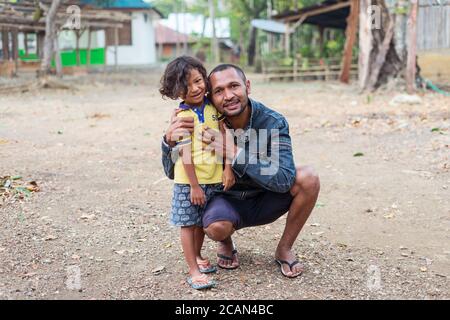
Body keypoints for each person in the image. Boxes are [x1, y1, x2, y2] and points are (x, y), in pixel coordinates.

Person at [162, 64, 320, 279]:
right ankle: (225, 242)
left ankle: (284, 248)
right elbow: (173, 173)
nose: (228, 96)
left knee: (308, 177)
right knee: (216, 227)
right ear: (210, 95)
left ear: (247, 86)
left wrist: (235, 154)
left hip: (265, 197)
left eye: (234, 86)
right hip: (225, 199)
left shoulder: (272, 121)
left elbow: (284, 179)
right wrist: (168, 142)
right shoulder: (203, 120)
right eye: (219, 91)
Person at [159, 56, 235, 290]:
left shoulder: (213, 107)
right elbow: (184, 155)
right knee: (188, 224)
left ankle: (199, 257)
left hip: (213, 178)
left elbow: (225, 137)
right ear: (175, 90)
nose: (195, 88)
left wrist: (228, 168)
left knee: (201, 223)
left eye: (198, 81)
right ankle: (193, 270)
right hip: (188, 183)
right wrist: (194, 186)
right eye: (186, 85)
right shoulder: (183, 118)